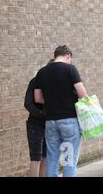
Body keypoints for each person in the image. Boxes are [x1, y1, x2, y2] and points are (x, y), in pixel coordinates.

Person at [34, 45, 87, 177]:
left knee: (52, 159)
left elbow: (38, 98)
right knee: (69, 160)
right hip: (69, 121)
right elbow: (82, 93)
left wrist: (53, 100)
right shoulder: (70, 69)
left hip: (50, 122)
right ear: (68, 56)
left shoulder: (41, 72)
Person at [24, 59, 53, 177]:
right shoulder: (35, 81)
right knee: (36, 158)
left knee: (45, 156)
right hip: (35, 124)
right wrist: (44, 115)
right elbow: (28, 104)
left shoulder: (56, 85)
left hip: (50, 124)